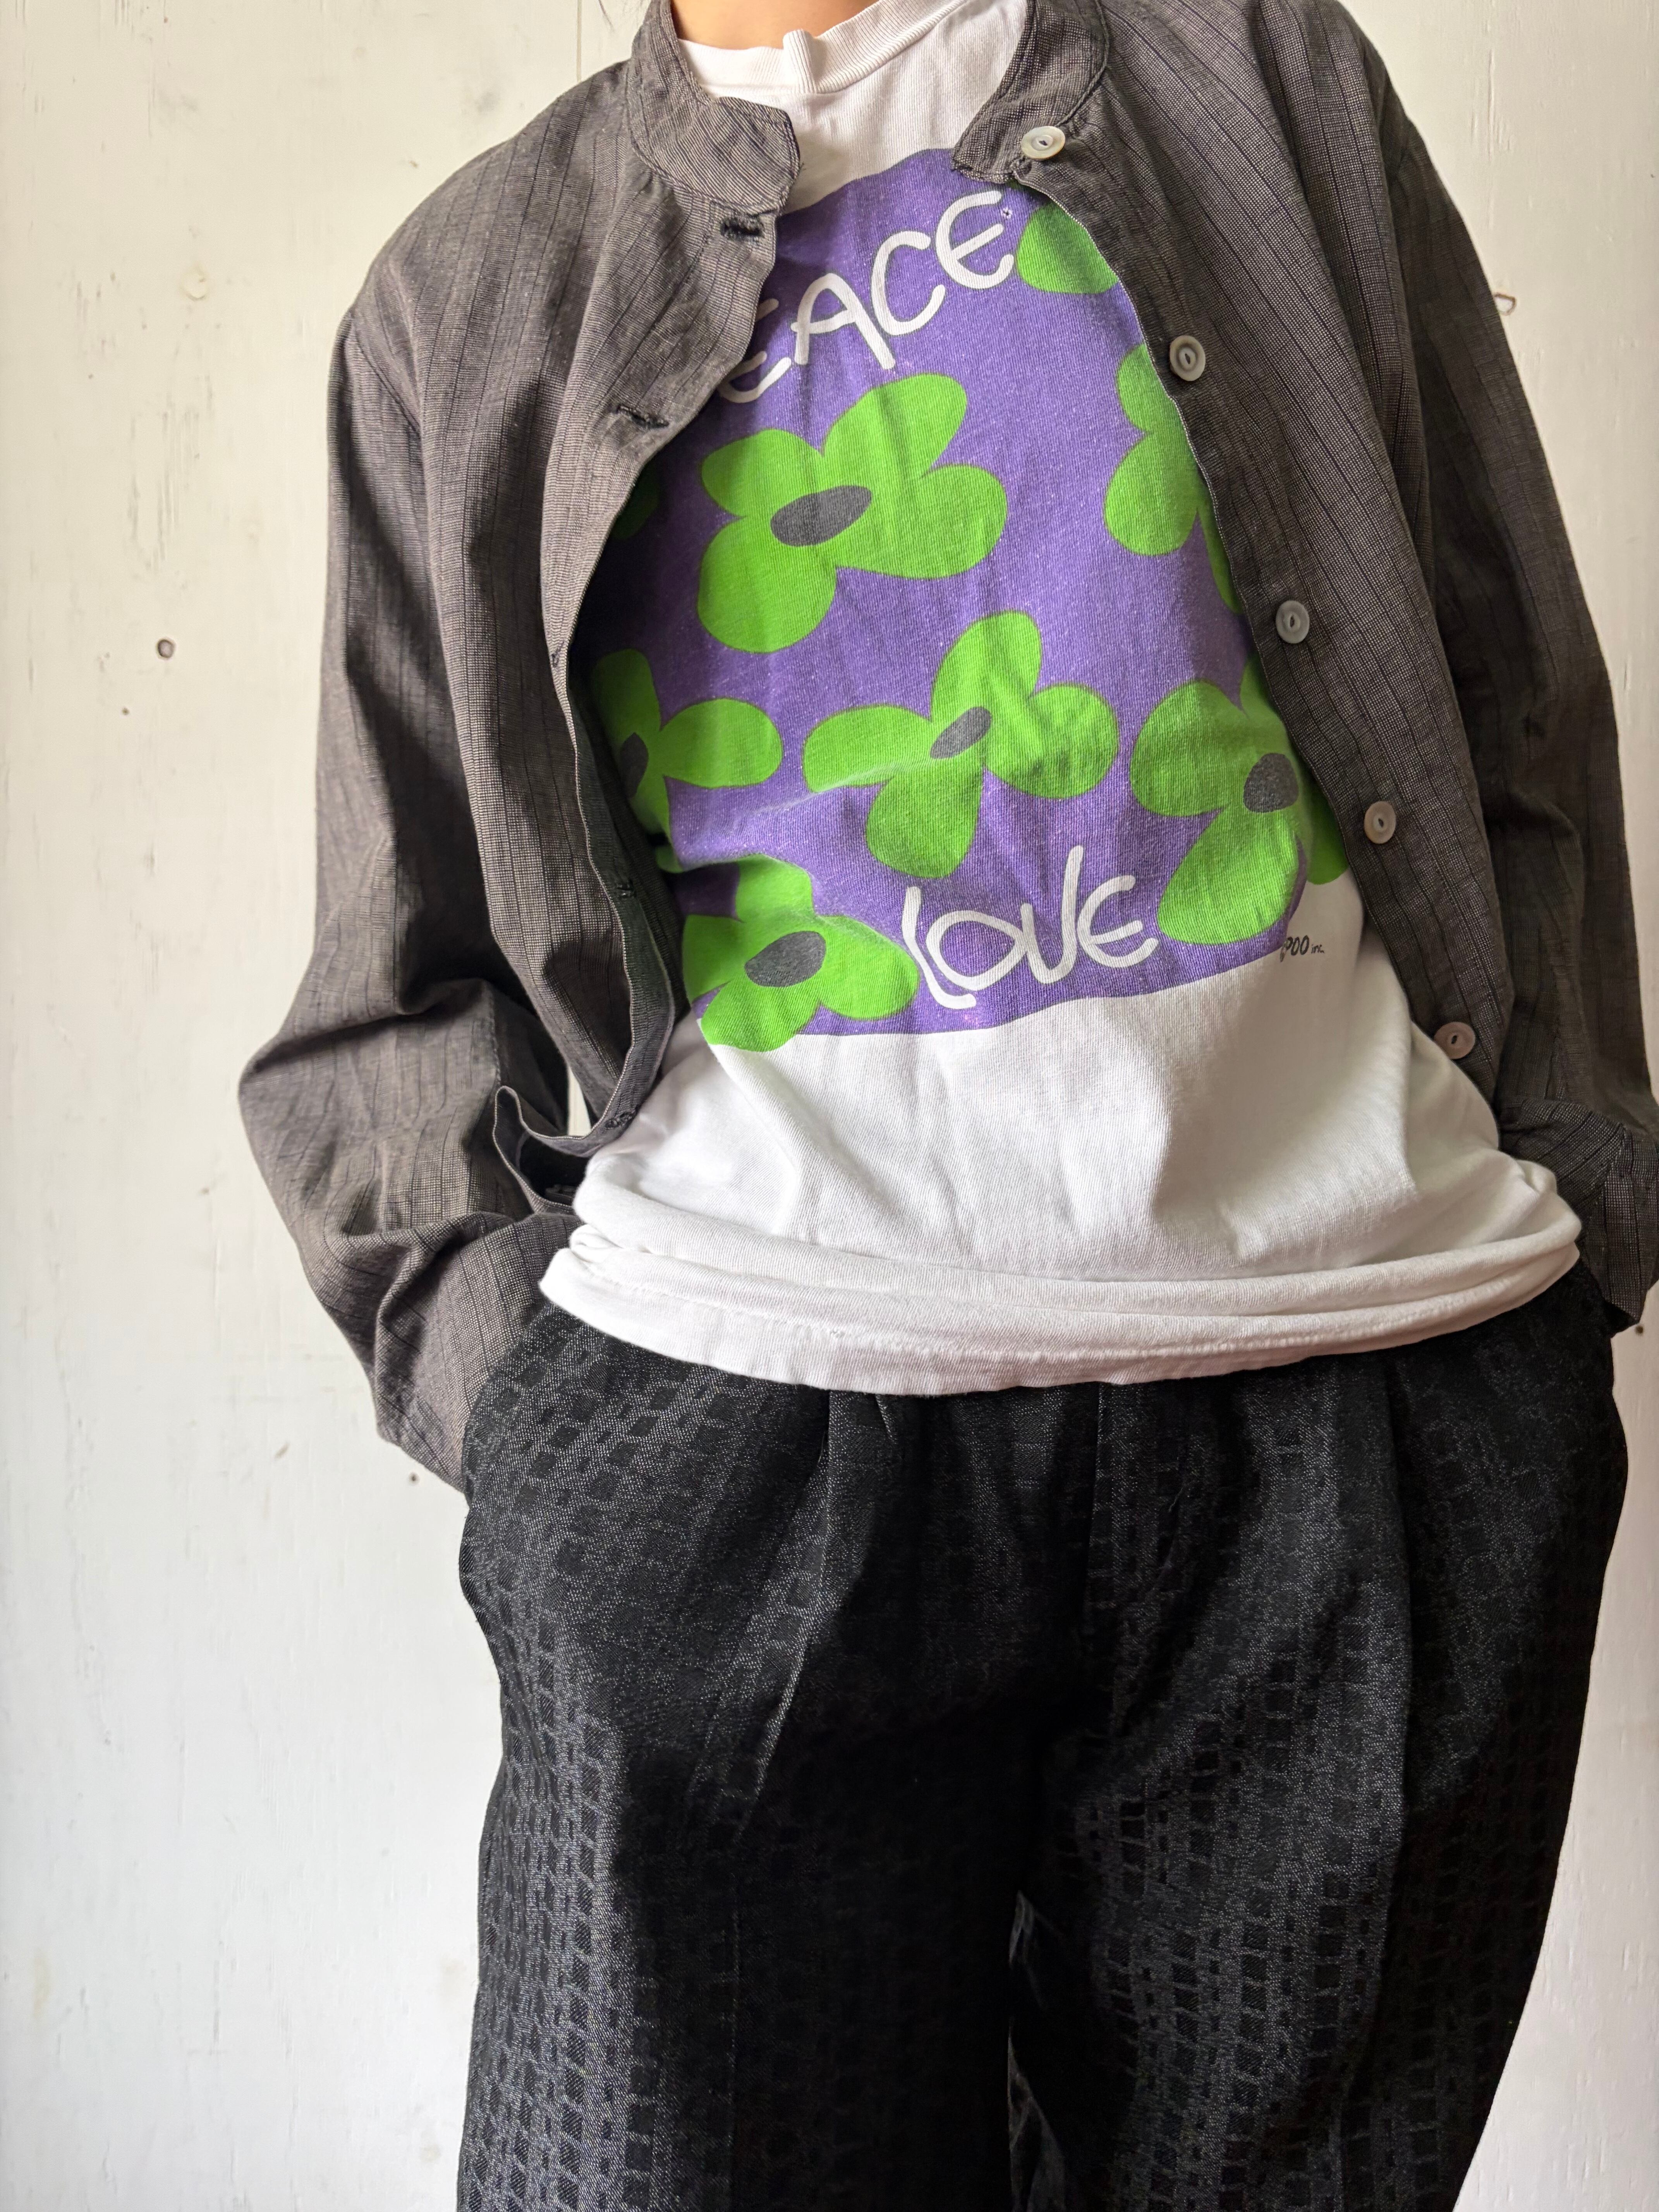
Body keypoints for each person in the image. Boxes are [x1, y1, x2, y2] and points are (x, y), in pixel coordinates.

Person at [240, 0, 1656, 2202]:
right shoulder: (479, 288)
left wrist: (1567, 1249)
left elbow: (1512, 689)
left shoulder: (1263, 80)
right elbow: (398, 979)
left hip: (1362, 1413)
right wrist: (548, 1454)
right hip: (746, 1445)